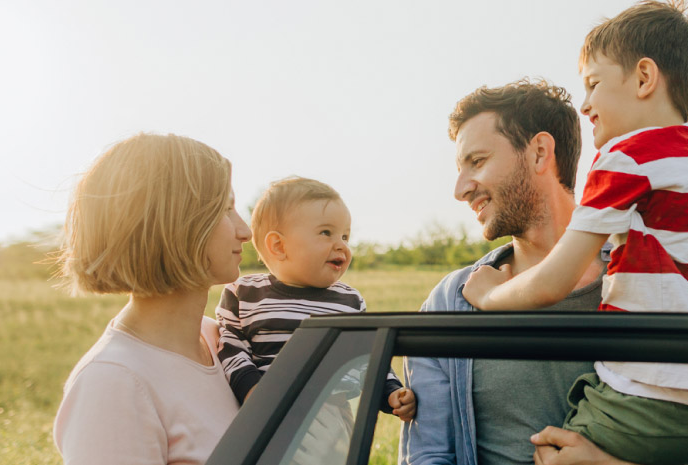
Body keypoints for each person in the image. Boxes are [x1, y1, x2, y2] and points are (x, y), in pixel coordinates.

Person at [401, 79, 688, 465]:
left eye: (477, 161)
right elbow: (428, 456)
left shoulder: (660, 279)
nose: (460, 188)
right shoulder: (449, 302)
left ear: (539, 152)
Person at [460, 2, 688, 463]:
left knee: (552, 451)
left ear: (644, 78)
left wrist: (488, 296)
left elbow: (552, 281)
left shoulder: (626, 158)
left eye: (594, 84)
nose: (586, 105)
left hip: (655, 397)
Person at [51, 133, 250, 464]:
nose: (245, 231)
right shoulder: (114, 382)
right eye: (225, 209)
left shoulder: (222, 339)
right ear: (176, 223)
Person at [214, 176, 416, 420]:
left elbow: (368, 356)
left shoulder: (349, 300)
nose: (341, 245)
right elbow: (231, 346)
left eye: (345, 236)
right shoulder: (245, 293)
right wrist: (251, 389)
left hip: (332, 414)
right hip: (268, 411)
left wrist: (391, 392)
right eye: (326, 233)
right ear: (278, 246)